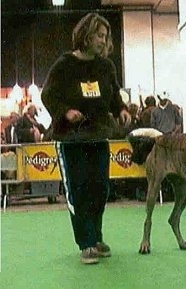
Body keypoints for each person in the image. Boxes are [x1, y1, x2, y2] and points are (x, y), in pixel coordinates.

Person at [41, 13, 131, 264]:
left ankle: (96, 237)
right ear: (85, 35)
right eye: (98, 35)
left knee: (100, 189)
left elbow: (113, 96)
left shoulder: (106, 66)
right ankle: (86, 242)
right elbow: (48, 95)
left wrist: (121, 110)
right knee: (78, 190)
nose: (103, 41)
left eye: (105, 36)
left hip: (97, 136)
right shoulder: (64, 65)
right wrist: (66, 112)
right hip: (71, 139)